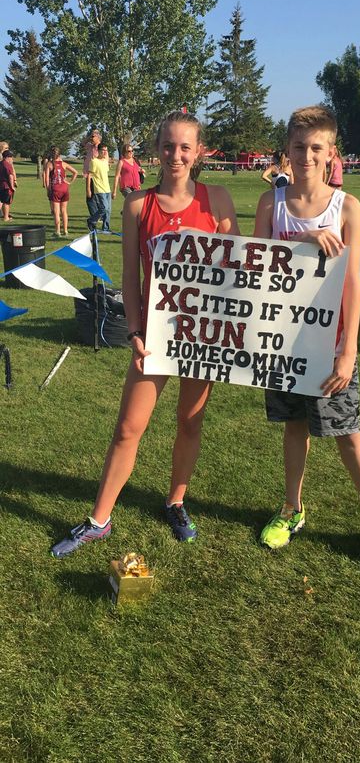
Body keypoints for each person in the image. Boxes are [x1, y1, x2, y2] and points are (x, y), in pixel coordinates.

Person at [51, 110, 239, 558]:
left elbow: (240, 269)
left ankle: (176, 501)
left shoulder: (219, 199)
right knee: (127, 428)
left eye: (185, 147)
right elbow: (132, 276)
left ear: (199, 153)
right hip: (155, 334)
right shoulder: (138, 204)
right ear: (156, 151)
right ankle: (99, 518)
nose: (176, 155)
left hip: (203, 334)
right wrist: (134, 329)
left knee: (189, 423)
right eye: (168, 146)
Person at [253, 104, 360, 583]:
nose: (305, 155)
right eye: (298, 147)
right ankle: (292, 508)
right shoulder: (270, 205)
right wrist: (304, 244)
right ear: (287, 150)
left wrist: (349, 348)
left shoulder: (349, 207)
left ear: (330, 153)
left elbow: (351, 284)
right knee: (294, 425)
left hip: (331, 341)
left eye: (315, 147)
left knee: (346, 433)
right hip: (283, 343)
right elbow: (256, 265)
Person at [44, 146, 78, 237]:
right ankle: (66, 231)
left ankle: (57, 231)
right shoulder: (64, 164)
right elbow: (75, 172)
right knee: (64, 211)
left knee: (56, 212)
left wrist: (48, 190)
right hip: (65, 189)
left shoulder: (49, 164)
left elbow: (47, 179)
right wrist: (69, 182)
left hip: (55, 189)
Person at [86, 143, 112, 231]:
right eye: (103, 150)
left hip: (107, 188)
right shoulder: (94, 161)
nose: (105, 152)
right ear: (98, 151)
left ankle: (106, 228)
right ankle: (91, 220)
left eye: (106, 150)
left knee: (108, 210)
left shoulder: (105, 161)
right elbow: (89, 175)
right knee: (103, 208)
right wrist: (88, 189)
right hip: (99, 189)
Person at [83, 128, 101, 224]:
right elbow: (83, 143)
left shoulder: (100, 148)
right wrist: (89, 136)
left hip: (96, 175)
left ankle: (96, 216)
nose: (91, 138)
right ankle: (97, 215)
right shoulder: (90, 146)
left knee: (92, 197)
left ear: (98, 137)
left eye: (93, 136)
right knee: (91, 197)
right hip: (88, 174)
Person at [0, 149, 16, 221]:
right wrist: (12, 186)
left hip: (1, 185)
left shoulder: (0, 163)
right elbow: (10, 176)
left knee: (1, 201)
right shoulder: (7, 165)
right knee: (6, 202)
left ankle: (5, 216)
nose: (12, 159)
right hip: (6, 186)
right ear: (7, 157)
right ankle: (6, 217)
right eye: (11, 157)